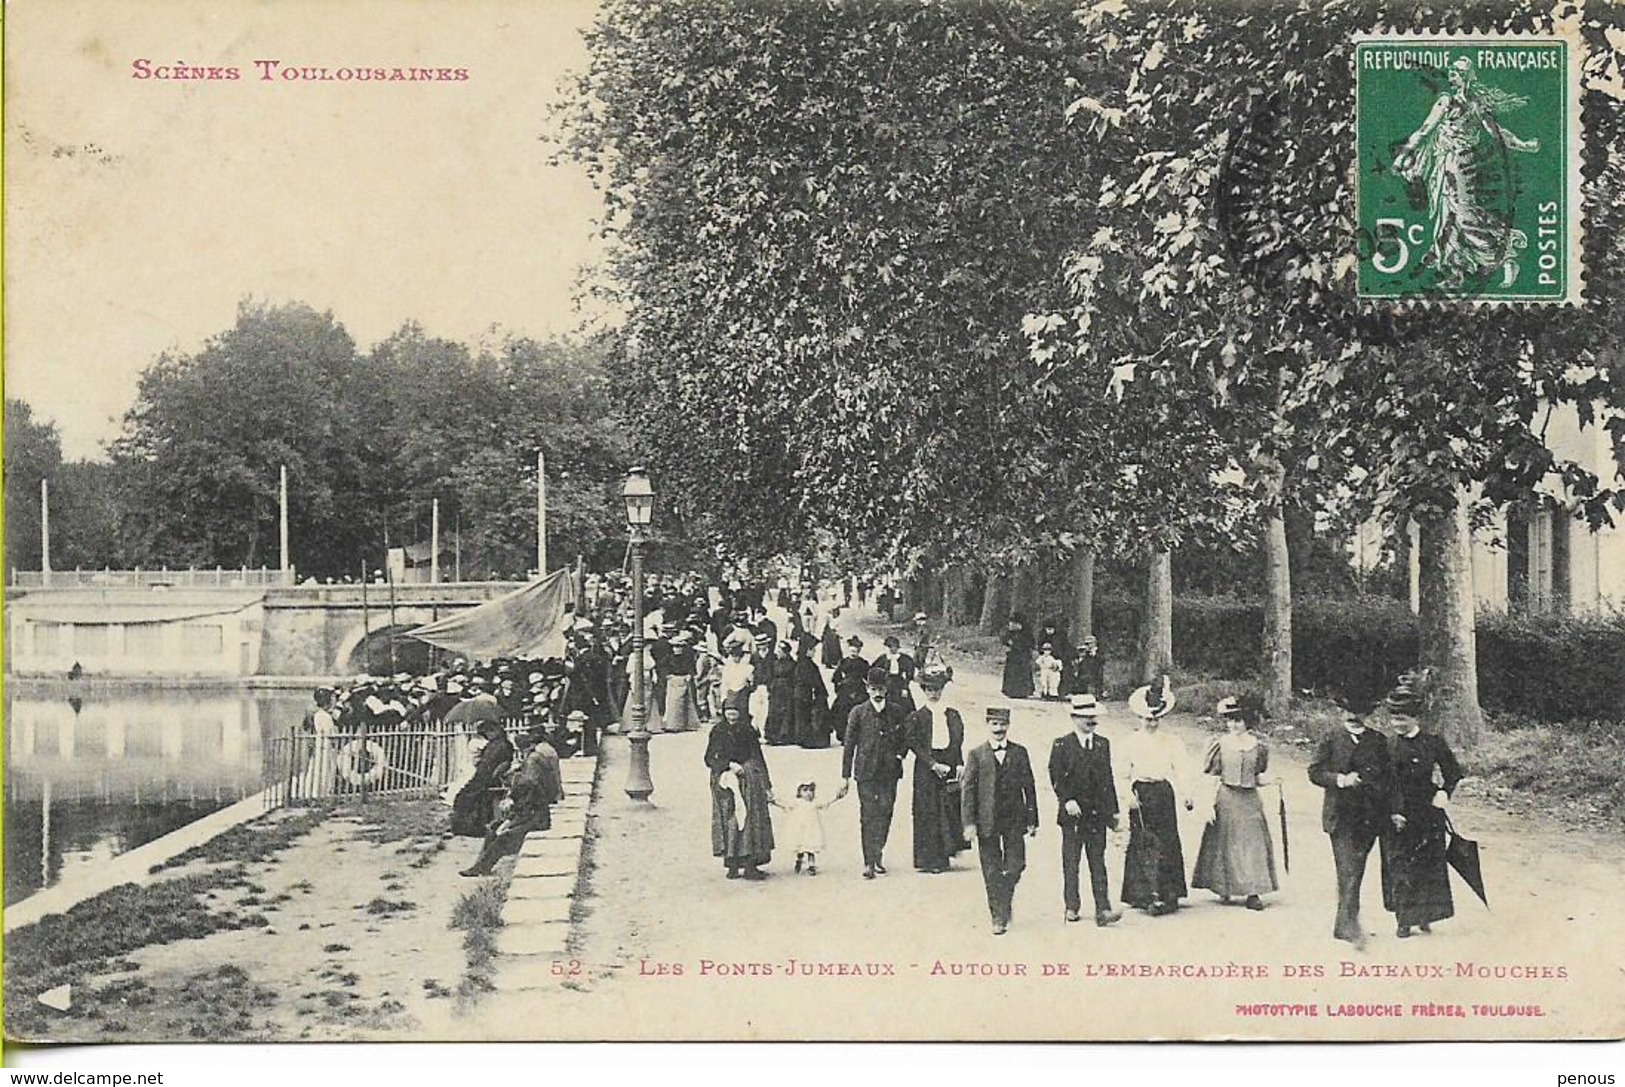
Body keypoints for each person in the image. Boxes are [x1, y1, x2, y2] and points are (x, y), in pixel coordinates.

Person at [1308, 693, 1394, 950]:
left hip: (1369, 817)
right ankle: (1347, 924)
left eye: (1361, 713)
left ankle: (1346, 923)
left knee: (1358, 866)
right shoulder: (1331, 738)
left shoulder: (1378, 740)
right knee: (1348, 868)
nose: (1355, 718)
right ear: (1341, 713)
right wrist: (1340, 780)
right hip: (1340, 815)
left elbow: (1389, 777)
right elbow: (1314, 772)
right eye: (1349, 713)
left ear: (1369, 715)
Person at [1380, 682, 1464, 938]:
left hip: (1426, 812)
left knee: (1428, 864)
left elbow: (1453, 772)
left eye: (1402, 719)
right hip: (1396, 812)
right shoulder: (1386, 745)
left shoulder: (1433, 742)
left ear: (1415, 718)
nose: (1397, 724)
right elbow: (1382, 781)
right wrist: (1392, 811)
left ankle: (1426, 914)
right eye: (1394, 719)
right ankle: (1403, 920)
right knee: (1399, 864)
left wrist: (1443, 792)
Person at [1191, 696, 1278, 910]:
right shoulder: (1218, 744)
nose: (1233, 724)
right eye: (1230, 720)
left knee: (1253, 843)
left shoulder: (1259, 746)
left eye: (1238, 720)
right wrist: (1207, 805)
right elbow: (1211, 776)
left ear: (1248, 721)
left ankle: (1253, 891)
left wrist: (1273, 782)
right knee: (1225, 843)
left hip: (1250, 800)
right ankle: (1225, 887)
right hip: (1226, 797)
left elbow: (1258, 776)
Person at [1118, 676, 1195, 915]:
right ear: (1140, 718)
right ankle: (1143, 895)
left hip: (1163, 793)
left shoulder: (1171, 741)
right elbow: (1121, 774)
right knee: (1143, 842)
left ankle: (1169, 893)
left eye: (1155, 719)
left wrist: (1187, 793)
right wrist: (1127, 797)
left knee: (1168, 841)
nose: (1151, 723)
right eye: (1147, 719)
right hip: (1141, 793)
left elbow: (1182, 768)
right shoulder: (1130, 742)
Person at [960, 706, 1039, 935]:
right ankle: (998, 915)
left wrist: (1032, 818)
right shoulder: (976, 755)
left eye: (1003, 724)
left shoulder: (1020, 752)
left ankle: (1003, 896)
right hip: (987, 821)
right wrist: (969, 823)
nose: (999, 729)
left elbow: (1029, 787)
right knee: (992, 869)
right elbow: (968, 792)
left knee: (1017, 864)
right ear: (987, 725)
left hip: (1014, 819)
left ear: (1008, 726)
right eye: (994, 724)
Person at [1048, 693, 1123, 926]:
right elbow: (1055, 775)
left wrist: (1113, 812)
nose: (1091, 721)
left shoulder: (1103, 744)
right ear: (1074, 717)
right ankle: (1072, 905)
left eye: (1094, 716)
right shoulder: (1062, 744)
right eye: (1086, 717)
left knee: (1097, 861)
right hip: (1072, 815)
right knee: (1071, 862)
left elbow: (1108, 779)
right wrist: (1066, 800)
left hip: (1096, 815)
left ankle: (1103, 908)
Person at [459, 728, 564, 877]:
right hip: (529, 814)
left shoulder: (531, 767)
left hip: (536, 819)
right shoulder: (532, 761)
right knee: (493, 827)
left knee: (502, 838)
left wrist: (510, 815)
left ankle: (482, 867)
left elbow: (527, 799)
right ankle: (480, 864)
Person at [839, 667, 908, 879]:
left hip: (889, 772)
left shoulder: (896, 711)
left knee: (886, 811)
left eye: (881, 688)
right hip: (865, 771)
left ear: (886, 689)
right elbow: (849, 745)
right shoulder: (858, 712)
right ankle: (869, 861)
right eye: (873, 688)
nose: (877, 693)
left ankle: (878, 854)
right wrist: (845, 776)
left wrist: (899, 755)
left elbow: (906, 736)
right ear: (867, 689)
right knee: (868, 814)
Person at [904, 664, 967, 874]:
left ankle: (944, 856)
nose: (933, 693)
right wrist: (931, 764)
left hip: (947, 763)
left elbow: (957, 741)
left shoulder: (952, 715)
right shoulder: (917, 716)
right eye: (929, 690)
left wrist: (958, 763)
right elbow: (913, 742)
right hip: (926, 767)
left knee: (947, 809)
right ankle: (927, 859)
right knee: (927, 811)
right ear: (923, 691)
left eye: (937, 689)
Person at [704, 698, 776, 880]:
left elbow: (758, 756)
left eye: (735, 711)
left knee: (752, 819)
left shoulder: (748, 730)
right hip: (726, 781)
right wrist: (727, 765)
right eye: (728, 711)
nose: (731, 715)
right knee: (731, 820)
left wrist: (767, 785)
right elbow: (709, 758)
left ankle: (750, 863)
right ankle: (732, 864)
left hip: (749, 779)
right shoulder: (718, 731)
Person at [450, 719, 515, 838]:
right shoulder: (500, 744)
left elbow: (487, 767)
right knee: (466, 793)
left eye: (487, 733)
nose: (487, 736)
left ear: (494, 731)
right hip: (488, 775)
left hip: (487, 778)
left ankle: (467, 826)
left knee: (465, 796)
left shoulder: (498, 746)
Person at [773, 780, 845, 876]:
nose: (808, 793)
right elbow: (785, 805)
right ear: (799, 792)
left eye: (811, 790)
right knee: (800, 847)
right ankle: (799, 861)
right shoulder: (797, 803)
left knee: (811, 848)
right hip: (800, 829)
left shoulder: (814, 803)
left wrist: (836, 798)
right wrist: (774, 802)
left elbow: (825, 803)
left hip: (811, 830)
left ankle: (811, 865)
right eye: (805, 790)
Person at [791, 639, 832, 748]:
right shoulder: (806, 664)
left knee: (803, 717)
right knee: (806, 716)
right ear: (807, 651)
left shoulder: (802, 663)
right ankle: (808, 740)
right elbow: (812, 681)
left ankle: (803, 739)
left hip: (801, 694)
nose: (814, 652)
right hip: (805, 694)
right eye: (812, 650)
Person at [829, 636, 870, 745]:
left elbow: (868, 678)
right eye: (851, 651)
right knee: (840, 712)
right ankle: (843, 736)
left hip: (859, 690)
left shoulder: (863, 663)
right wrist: (838, 687)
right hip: (845, 690)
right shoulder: (844, 662)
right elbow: (836, 676)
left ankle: (859, 737)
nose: (853, 654)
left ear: (859, 651)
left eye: (855, 652)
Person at [764, 639, 798, 745]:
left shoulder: (792, 663)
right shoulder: (775, 663)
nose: (778, 653)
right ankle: (772, 735)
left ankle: (784, 736)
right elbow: (771, 675)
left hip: (786, 689)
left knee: (785, 712)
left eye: (780, 651)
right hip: (775, 689)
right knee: (774, 711)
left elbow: (793, 678)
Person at [1001, 614, 1035, 699]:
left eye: (1014, 623)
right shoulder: (1009, 632)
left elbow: (1029, 643)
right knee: (1011, 672)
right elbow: (1004, 639)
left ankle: (1022, 691)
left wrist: (1016, 643)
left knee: (1022, 674)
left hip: (1023, 657)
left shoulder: (1026, 633)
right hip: (1013, 656)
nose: (1011, 625)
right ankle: (1010, 690)